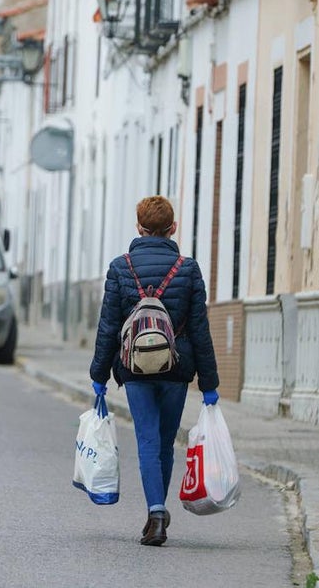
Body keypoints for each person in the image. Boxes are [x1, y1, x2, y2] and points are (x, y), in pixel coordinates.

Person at [89, 195, 219, 547]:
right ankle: (158, 511)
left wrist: (99, 376)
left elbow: (108, 326)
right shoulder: (188, 269)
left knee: (146, 439)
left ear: (139, 228)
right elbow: (200, 329)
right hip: (176, 367)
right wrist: (210, 383)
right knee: (165, 441)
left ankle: (156, 513)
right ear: (173, 228)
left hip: (135, 368)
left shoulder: (120, 267)